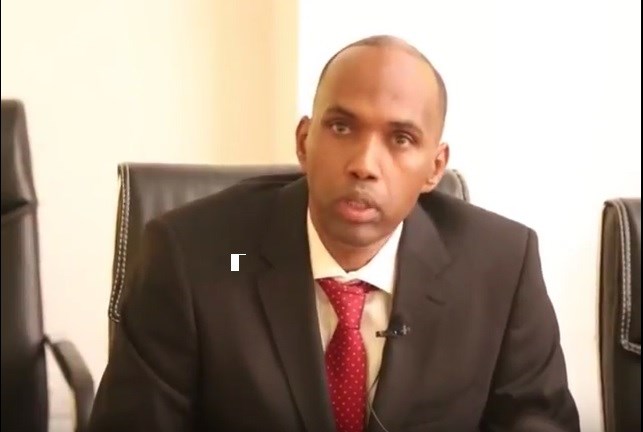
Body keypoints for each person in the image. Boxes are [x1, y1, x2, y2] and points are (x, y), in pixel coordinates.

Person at [88, 35, 580, 432]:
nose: (364, 164)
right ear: (305, 141)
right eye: (342, 128)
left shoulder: (502, 267)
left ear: (435, 167)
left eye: (401, 138)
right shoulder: (195, 257)